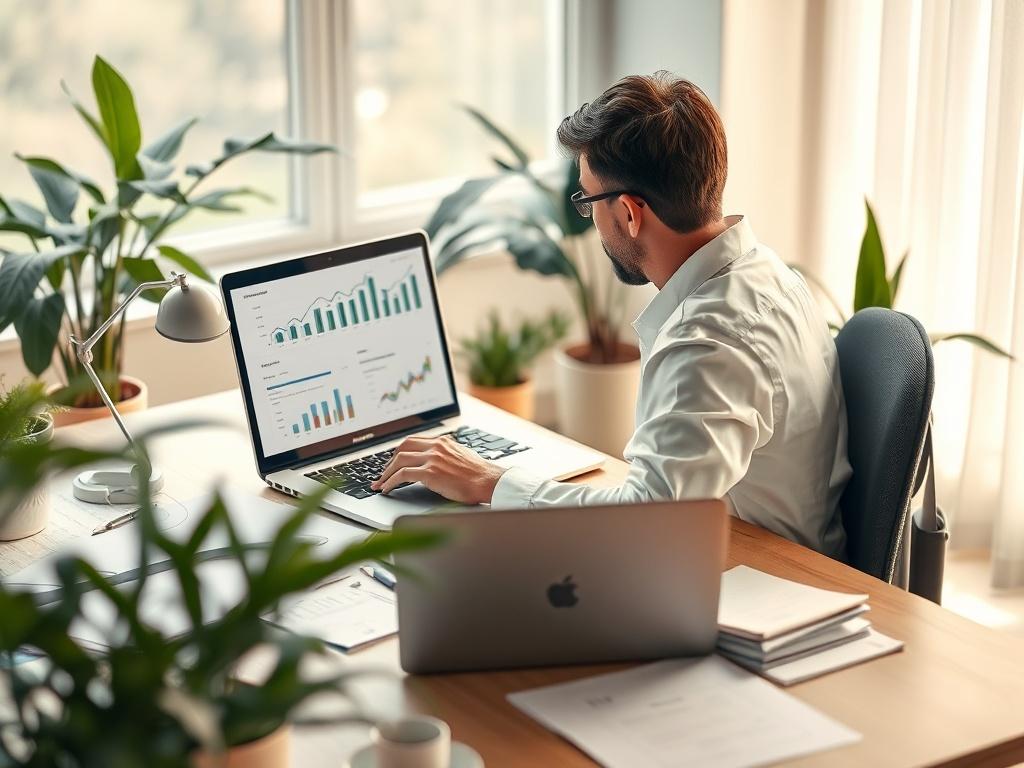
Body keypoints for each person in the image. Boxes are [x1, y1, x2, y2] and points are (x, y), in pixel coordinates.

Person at [372, 71, 851, 557]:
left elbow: (645, 524)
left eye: (587, 200)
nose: (591, 218)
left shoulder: (708, 340)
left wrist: (491, 482)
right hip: (745, 546)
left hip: (760, 577)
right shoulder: (768, 273)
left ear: (628, 213)